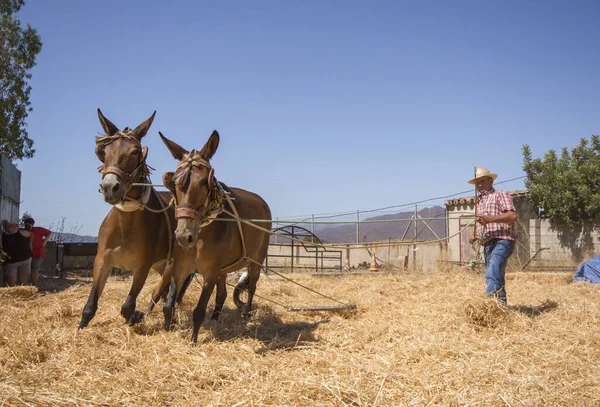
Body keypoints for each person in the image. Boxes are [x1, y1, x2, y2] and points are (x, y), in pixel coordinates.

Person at [468, 168, 518, 305]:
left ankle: (490, 304)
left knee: (492, 270)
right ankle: (500, 308)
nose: (479, 185)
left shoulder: (500, 195)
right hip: (488, 244)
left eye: (482, 181)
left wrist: (490, 219)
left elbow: (513, 216)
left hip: (503, 240)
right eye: (477, 183)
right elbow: (483, 225)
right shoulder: (478, 202)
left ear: (491, 180)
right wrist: (476, 237)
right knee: (497, 275)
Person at [1, 219, 33, 286]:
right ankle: (14, 291)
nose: (14, 227)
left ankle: (23, 292)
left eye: (15, 226)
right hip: (12, 261)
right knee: (12, 279)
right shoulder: (3, 236)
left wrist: (30, 245)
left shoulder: (20, 232)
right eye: (11, 226)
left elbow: (31, 234)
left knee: (23, 278)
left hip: (24, 259)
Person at [24, 217, 51, 286]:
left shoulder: (38, 230)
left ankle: (34, 285)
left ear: (32, 224)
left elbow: (49, 233)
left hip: (37, 253)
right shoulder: (23, 231)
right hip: (26, 254)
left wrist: (44, 243)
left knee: (34, 270)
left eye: (29, 224)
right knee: (26, 271)